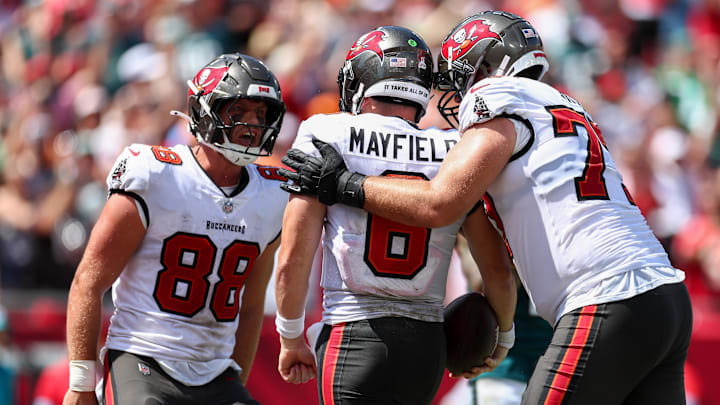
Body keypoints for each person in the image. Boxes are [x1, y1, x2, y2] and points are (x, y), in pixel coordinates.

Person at [280, 11, 693, 405]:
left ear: (484, 69)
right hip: (666, 297)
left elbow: (440, 203)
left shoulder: (497, 95)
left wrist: (342, 184)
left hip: (607, 296)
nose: (458, 92)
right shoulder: (564, 104)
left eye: (462, 75)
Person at [273, 26, 517, 405]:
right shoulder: (453, 148)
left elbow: (292, 258)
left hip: (354, 336)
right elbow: (497, 269)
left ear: (362, 77)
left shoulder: (328, 132)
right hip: (427, 350)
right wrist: (501, 337)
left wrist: (290, 336)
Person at [63, 53, 288, 405]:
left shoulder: (273, 194)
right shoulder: (156, 175)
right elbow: (89, 282)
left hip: (216, 371)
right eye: (238, 112)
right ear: (205, 112)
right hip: (144, 359)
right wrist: (80, 382)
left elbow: (250, 304)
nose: (252, 125)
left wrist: (236, 382)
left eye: (261, 115)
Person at [442, 234, 552, 405]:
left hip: (560, 366)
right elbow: (482, 284)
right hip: (506, 370)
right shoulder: (481, 219)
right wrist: (517, 253)